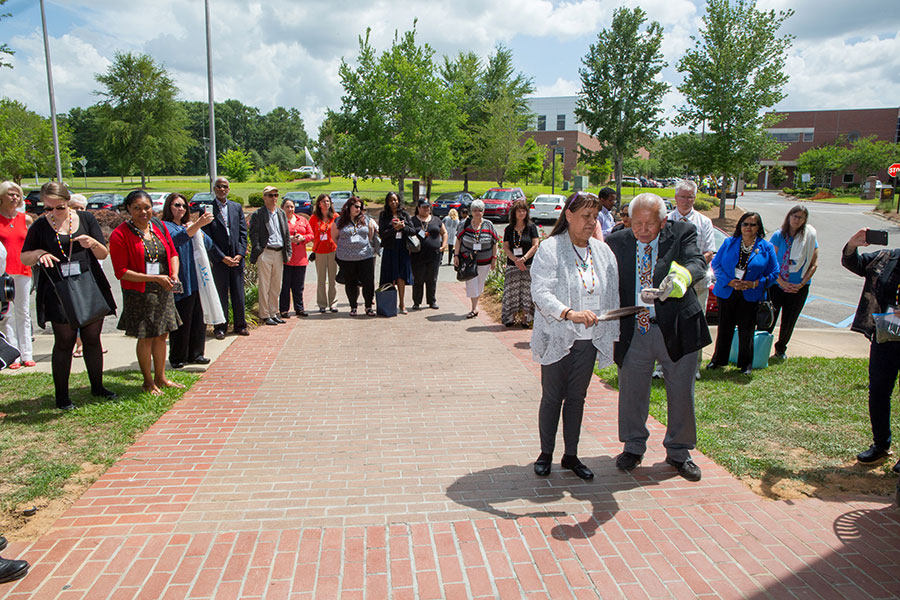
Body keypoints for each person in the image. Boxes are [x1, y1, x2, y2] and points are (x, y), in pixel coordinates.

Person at [606, 193, 712, 481]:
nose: (642, 230)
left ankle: (679, 452)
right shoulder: (617, 241)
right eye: (636, 223)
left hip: (677, 327)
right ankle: (633, 446)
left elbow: (696, 262)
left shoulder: (682, 233)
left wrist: (682, 278)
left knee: (680, 392)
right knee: (631, 391)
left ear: (663, 221)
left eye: (649, 224)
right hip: (636, 329)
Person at [530, 191, 619, 480]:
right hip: (559, 335)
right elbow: (540, 291)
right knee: (553, 397)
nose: (592, 223)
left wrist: (610, 329)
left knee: (577, 398)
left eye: (595, 217)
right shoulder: (551, 248)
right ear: (568, 216)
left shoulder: (603, 252)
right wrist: (569, 313)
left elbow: (612, 294)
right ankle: (546, 454)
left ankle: (571, 456)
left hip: (588, 340)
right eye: (585, 217)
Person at [20, 182, 117, 410]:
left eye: (59, 207)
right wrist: (40, 253)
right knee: (64, 341)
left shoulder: (85, 219)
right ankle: (62, 396)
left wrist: (92, 243)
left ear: (68, 202)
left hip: (88, 284)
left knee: (92, 338)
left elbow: (104, 252)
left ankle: (97, 387)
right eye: (48, 208)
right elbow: (24, 257)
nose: (54, 212)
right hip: (58, 289)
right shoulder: (41, 226)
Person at [109, 190, 184, 395]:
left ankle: (161, 377)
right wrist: (154, 278)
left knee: (162, 334)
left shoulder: (158, 226)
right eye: (137, 208)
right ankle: (148, 382)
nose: (143, 212)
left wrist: (174, 274)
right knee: (146, 337)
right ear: (129, 210)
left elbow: (173, 253)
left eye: (147, 207)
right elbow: (121, 272)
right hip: (140, 292)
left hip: (163, 288)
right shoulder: (120, 234)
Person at [841, 228, 900, 472]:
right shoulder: (887, 258)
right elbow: (854, 263)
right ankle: (880, 445)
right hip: (887, 336)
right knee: (878, 392)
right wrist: (852, 245)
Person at [707, 212, 778, 375]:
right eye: (745, 224)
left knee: (746, 330)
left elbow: (774, 273)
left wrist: (754, 283)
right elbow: (716, 265)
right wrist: (729, 281)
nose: (748, 227)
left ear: (758, 227)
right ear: (740, 226)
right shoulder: (729, 243)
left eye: (753, 224)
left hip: (750, 294)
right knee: (724, 328)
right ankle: (718, 361)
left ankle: (745, 365)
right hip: (727, 292)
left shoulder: (765, 247)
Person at [664, 180, 717, 380]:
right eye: (682, 196)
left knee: (695, 324)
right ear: (675, 197)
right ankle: (663, 367)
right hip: (669, 284)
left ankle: (693, 368)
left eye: (690, 197)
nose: (686, 201)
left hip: (697, 283)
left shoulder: (704, 222)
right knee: (667, 323)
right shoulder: (666, 220)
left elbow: (709, 252)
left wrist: (686, 273)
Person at [161, 193, 217, 368]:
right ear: (169, 207)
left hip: (198, 279)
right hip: (182, 280)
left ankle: (196, 353)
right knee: (182, 319)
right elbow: (175, 241)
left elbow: (208, 244)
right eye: (177, 205)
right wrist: (196, 226)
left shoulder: (190, 226)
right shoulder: (165, 226)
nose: (181, 209)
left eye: (184, 206)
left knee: (198, 319)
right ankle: (178, 357)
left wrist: (197, 228)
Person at [768, 205, 818, 359]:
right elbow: (770, 262)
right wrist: (781, 282)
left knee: (789, 320)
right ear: (789, 216)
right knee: (769, 318)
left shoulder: (809, 238)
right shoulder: (778, 236)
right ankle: (760, 347)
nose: (797, 220)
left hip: (798, 288)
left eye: (801, 217)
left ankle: (780, 349)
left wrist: (801, 284)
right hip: (777, 285)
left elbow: (814, 264)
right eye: (794, 216)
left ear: (805, 220)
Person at [202, 177, 249, 339]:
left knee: (238, 293)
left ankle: (240, 325)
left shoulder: (236, 208)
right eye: (219, 187)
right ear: (214, 189)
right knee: (221, 293)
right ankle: (220, 327)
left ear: (229, 189)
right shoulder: (208, 209)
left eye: (225, 187)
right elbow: (207, 238)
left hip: (236, 257)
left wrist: (240, 254)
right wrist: (222, 258)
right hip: (219, 259)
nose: (222, 189)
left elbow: (243, 233)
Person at [0, 181, 35, 369]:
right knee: (8, 314)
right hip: (3, 273)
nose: (14, 197)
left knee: (23, 312)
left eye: (17, 194)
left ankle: (27, 353)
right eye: (10, 194)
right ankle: (12, 354)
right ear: (1, 197)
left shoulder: (26, 219)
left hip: (23, 270)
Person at [248, 186, 291, 326]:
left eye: (276, 195)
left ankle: (274, 312)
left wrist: (288, 252)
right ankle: (265, 314)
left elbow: (286, 234)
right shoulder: (258, 214)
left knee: (276, 286)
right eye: (270, 195)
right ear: (264, 197)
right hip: (265, 252)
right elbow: (253, 234)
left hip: (279, 252)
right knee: (264, 285)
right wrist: (259, 250)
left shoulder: (281, 213)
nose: (274, 198)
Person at [331, 196, 377, 316]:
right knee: (351, 283)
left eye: (360, 207)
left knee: (368, 282)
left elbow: (370, 235)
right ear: (349, 207)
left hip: (365, 256)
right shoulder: (339, 221)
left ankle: (368, 307)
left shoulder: (366, 219)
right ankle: (353, 306)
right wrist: (347, 248)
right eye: (356, 206)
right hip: (346, 258)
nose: (358, 209)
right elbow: (335, 237)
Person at [454, 199, 498, 318]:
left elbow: (495, 242)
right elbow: (458, 240)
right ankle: (474, 307)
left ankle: (475, 304)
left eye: (480, 211)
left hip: (485, 261)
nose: (477, 213)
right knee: (471, 282)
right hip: (468, 260)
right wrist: (456, 255)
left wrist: (494, 258)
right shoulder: (465, 224)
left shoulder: (488, 224)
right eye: (475, 210)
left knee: (480, 283)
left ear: (483, 212)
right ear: (471, 212)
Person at [501, 199, 540, 327]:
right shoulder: (509, 229)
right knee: (511, 292)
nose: (522, 213)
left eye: (524, 211)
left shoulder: (531, 227)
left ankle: (525, 319)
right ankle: (510, 318)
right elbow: (506, 247)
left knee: (527, 292)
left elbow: (535, 245)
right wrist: (515, 260)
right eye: (519, 211)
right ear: (514, 213)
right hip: (513, 265)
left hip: (528, 265)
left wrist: (523, 259)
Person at [378, 192, 413, 314]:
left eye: (395, 200)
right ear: (387, 202)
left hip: (402, 249)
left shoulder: (404, 214)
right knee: (389, 276)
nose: (393, 202)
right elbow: (382, 233)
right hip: (389, 249)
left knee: (401, 276)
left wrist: (403, 226)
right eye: (391, 200)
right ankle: (389, 304)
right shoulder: (384, 215)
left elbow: (412, 231)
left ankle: (402, 304)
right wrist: (394, 229)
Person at [410, 198, 447, 310]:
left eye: (428, 207)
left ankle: (432, 301)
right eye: (424, 207)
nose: (426, 209)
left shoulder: (436, 220)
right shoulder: (413, 221)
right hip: (418, 254)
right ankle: (416, 302)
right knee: (418, 278)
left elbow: (444, 232)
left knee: (432, 278)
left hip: (434, 254)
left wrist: (443, 245)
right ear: (418, 208)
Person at [280, 196, 314, 318]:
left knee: (298, 286)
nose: (290, 209)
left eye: (292, 206)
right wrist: (289, 239)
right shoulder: (280, 221)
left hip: (300, 258)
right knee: (285, 286)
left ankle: (299, 308)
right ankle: (284, 310)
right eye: (287, 207)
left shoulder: (302, 220)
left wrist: (303, 238)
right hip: (286, 259)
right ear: (282, 208)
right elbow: (277, 237)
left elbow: (311, 234)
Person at [309, 194, 338, 313]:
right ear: (319, 204)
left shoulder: (335, 217)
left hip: (333, 251)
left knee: (332, 278)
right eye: (323, 201)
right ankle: (321, 304)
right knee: (321, 279)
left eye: (328, 201)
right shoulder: (314, 218)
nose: (326, 203)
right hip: (320, 252)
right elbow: (310, 234)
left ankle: (333, 303)